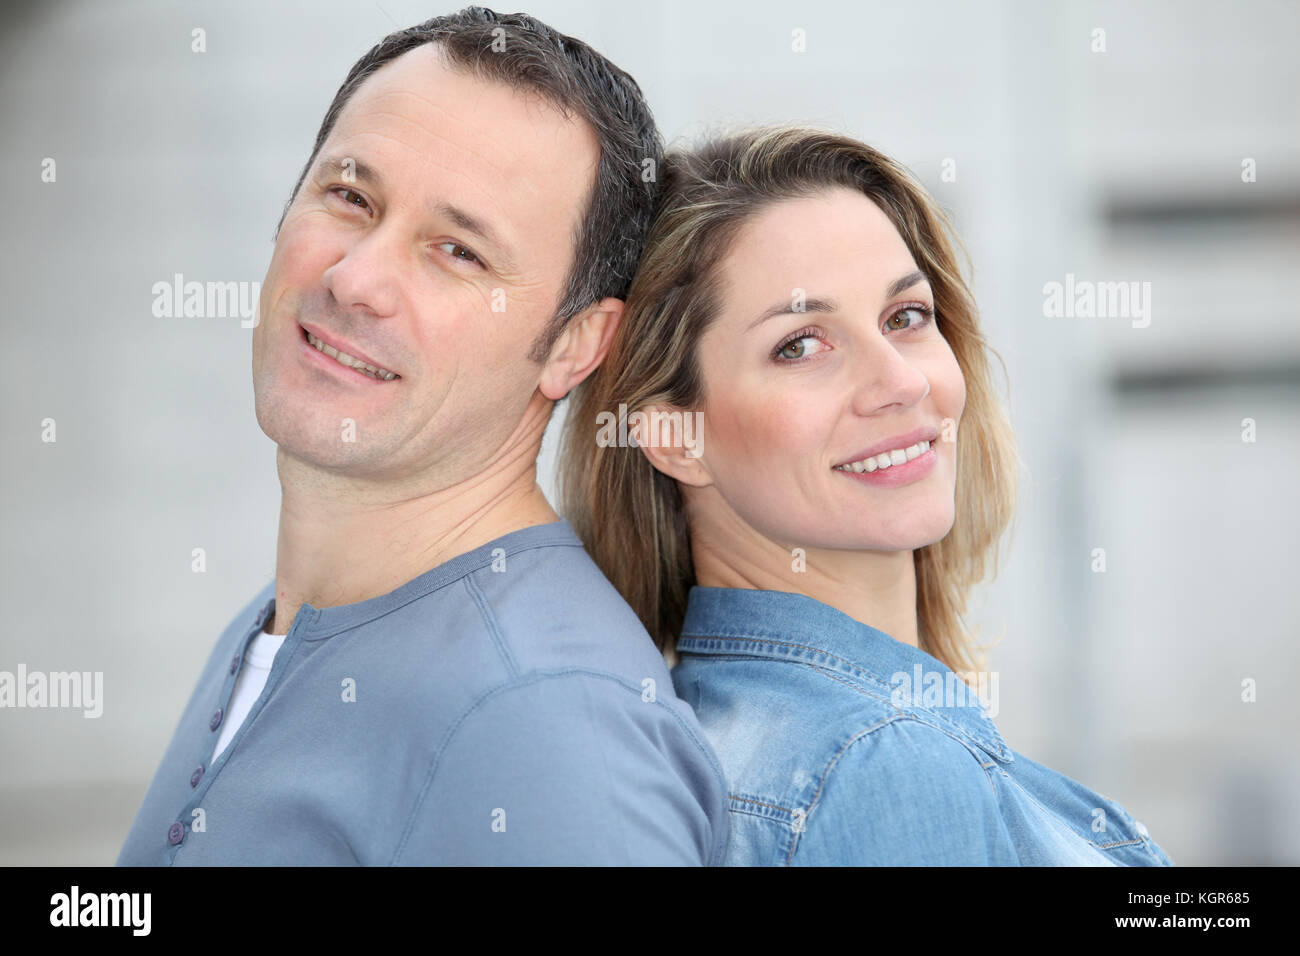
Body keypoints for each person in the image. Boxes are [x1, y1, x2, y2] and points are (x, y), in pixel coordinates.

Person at [116, 7, 728, 866]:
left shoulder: (549, 728)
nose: (355, 279)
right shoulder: (272, 629)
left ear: (574, 344)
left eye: (458, 251)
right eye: (350, 196)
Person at [559, 125, 1174, 866]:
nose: (902, 382)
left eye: (905, 318)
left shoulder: (724, 733)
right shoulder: (884, 767)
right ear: (673, 438)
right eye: (801, 344)